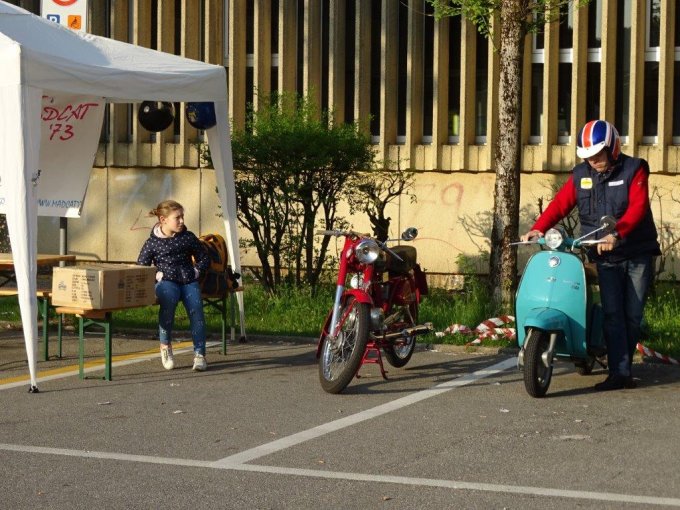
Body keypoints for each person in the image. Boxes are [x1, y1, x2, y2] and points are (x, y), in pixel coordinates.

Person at [521, 120, 660, 392]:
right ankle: (619, 373)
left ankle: (622, 367)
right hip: (604, 254)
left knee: (631, 315)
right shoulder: (581, 175)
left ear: (612, 149)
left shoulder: (635, 169)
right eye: (587, 156)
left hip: (636, 252)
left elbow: (638, 208)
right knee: (612, 314)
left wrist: (617, 234)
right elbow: (560, 204)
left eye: (597, 155)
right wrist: (539, 227)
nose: (592, 160)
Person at [137, 200, 210, 372]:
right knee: (168, 303)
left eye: (182, 217)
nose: (182, 221)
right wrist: (157, 275)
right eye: (177, 218)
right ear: (163, 220)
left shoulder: (188, 237)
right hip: (166, 282)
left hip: (188, 281)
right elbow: (141, 267)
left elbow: (204, 258)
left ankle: (200, 355)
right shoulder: (152, 242)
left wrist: (197, 271)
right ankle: (165, 347)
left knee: (196, 310)